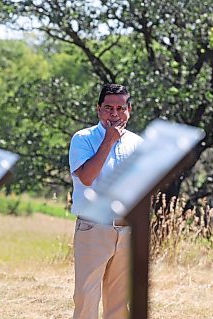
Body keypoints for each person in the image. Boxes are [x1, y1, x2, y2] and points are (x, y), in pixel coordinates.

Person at [68, 83, 143, 319]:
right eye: (108, 108)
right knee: (86, 299)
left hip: (127, 229)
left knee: (119, 304)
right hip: (93, 227)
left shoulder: (138, 143)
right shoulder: (83, 138)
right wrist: (108, 141)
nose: (114, 114)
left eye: (121, 108)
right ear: (98, 109)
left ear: (129, 110)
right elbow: (88, 177)